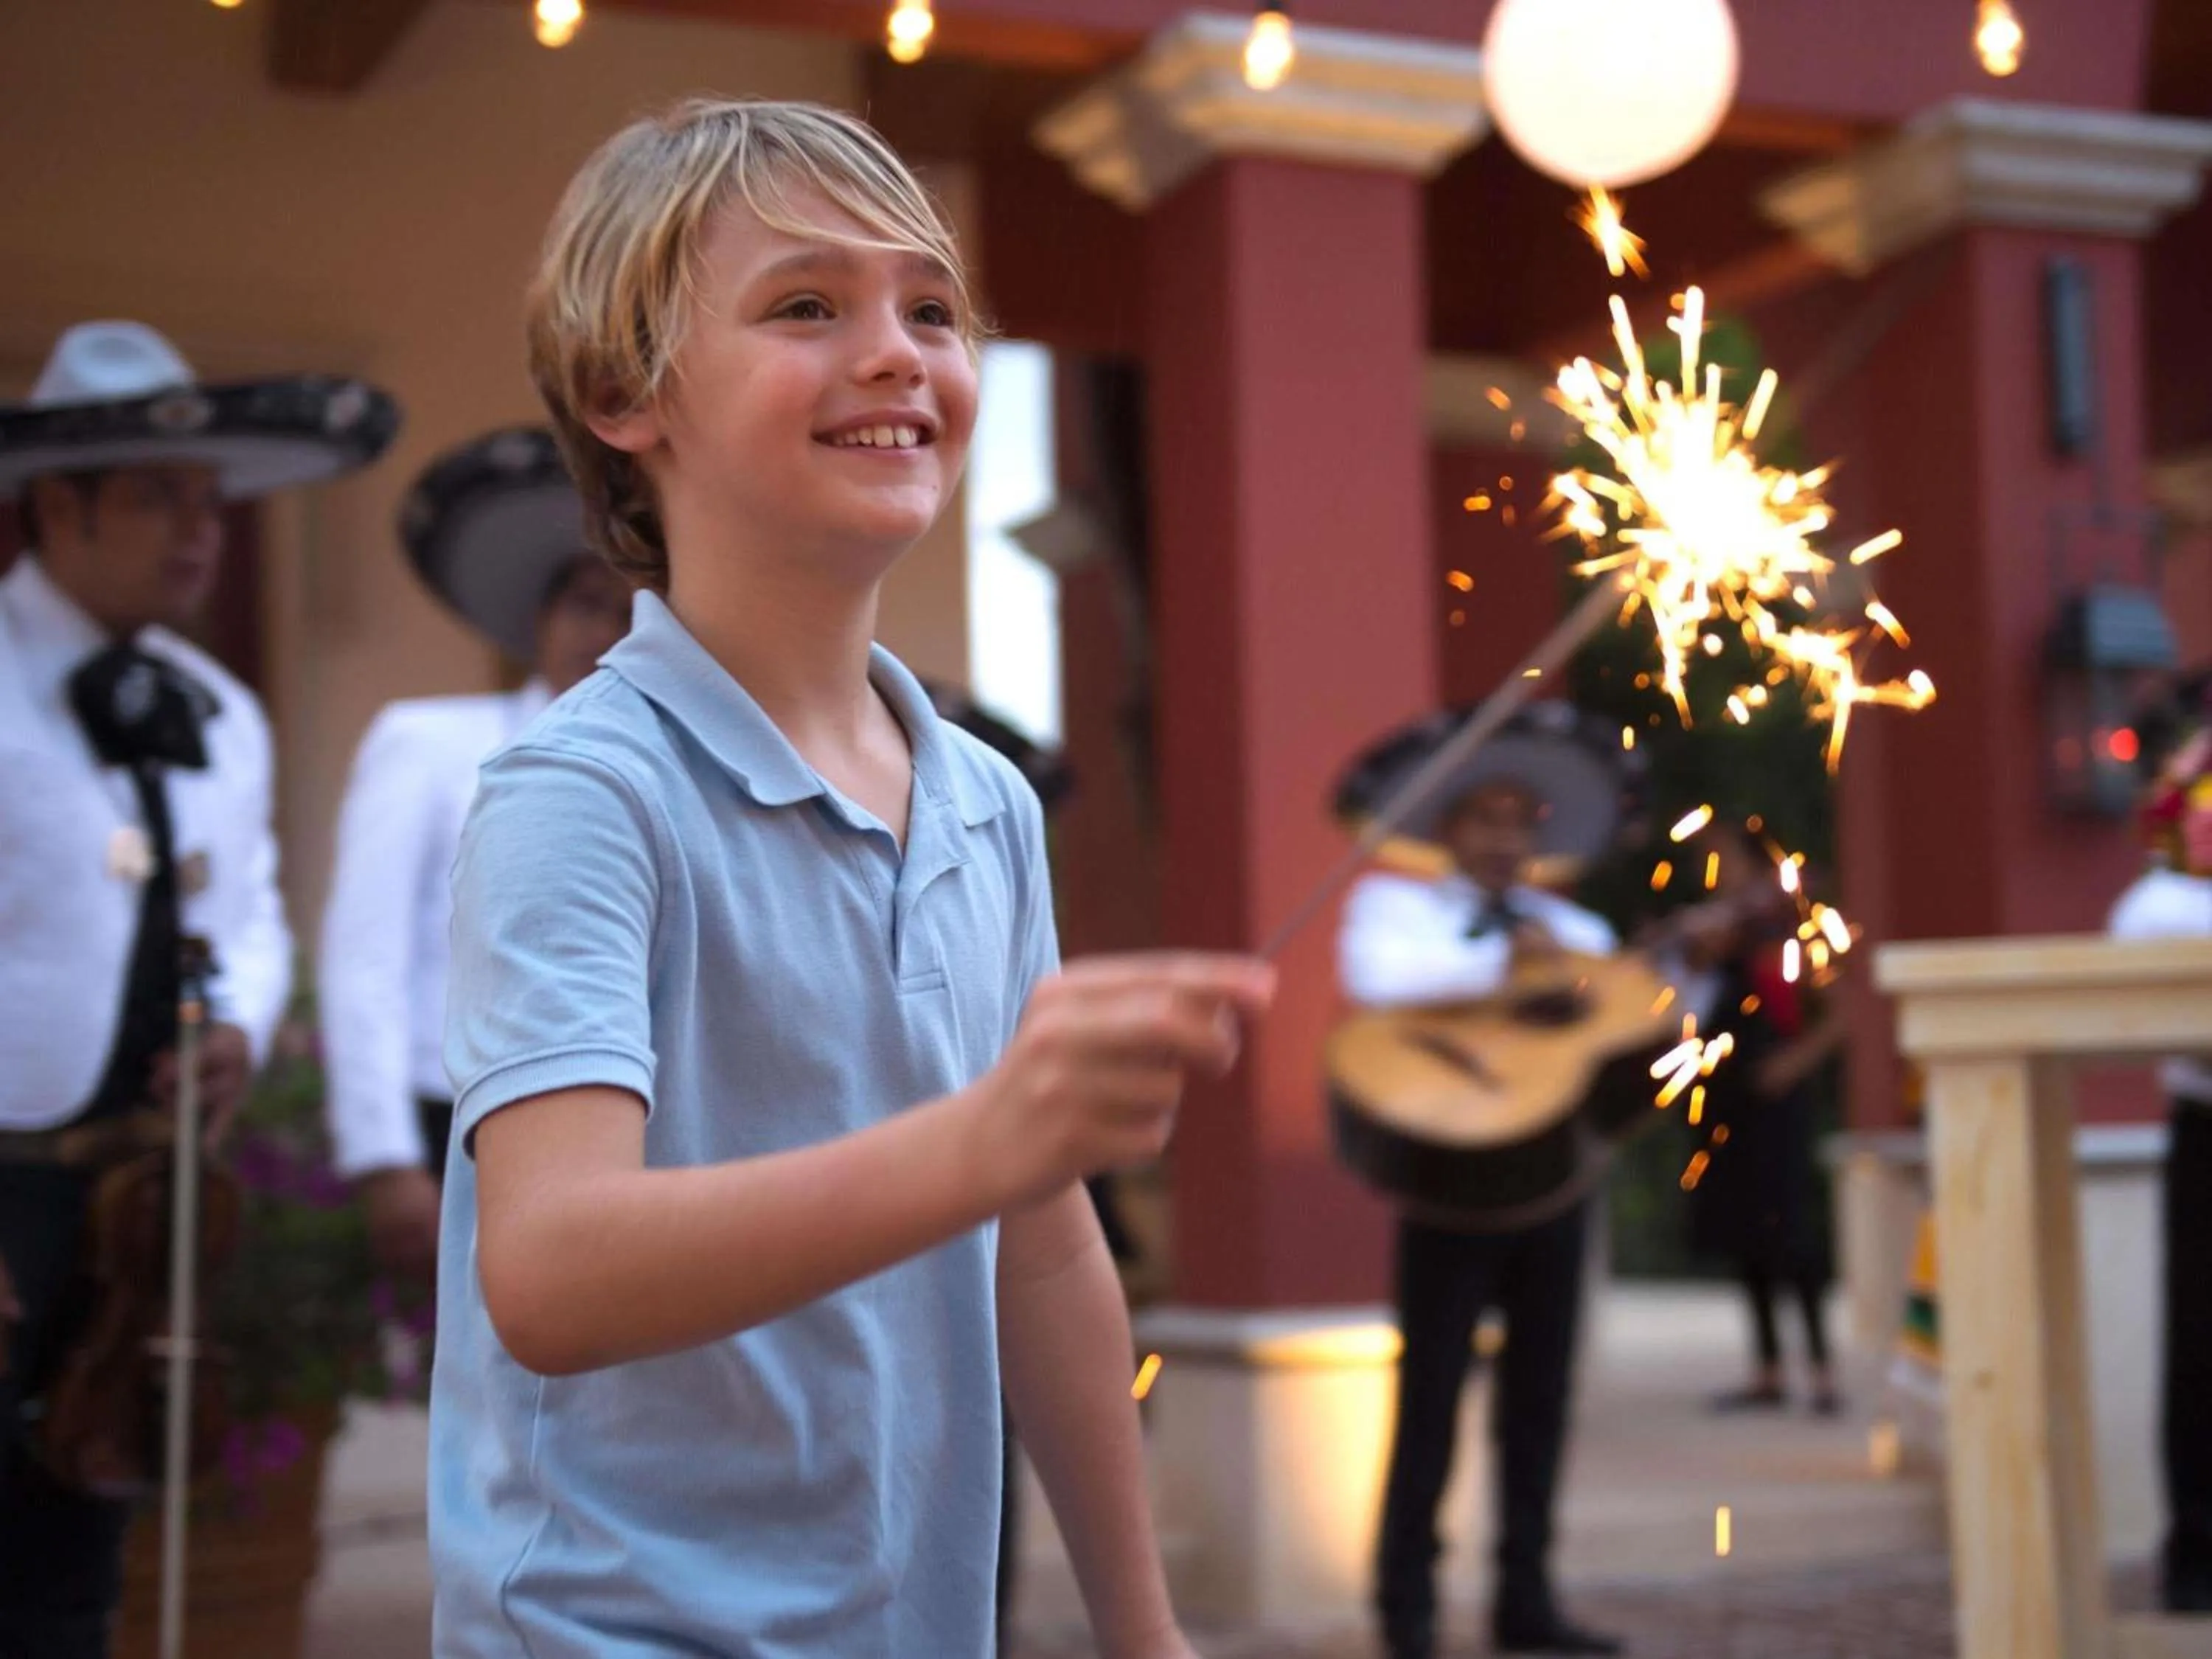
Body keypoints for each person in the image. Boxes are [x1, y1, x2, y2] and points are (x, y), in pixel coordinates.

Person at [428, 100, 1274, 1657]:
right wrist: (983, 1143)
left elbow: (1046, 1250)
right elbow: (548, 1272)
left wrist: (1143, 1630)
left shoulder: (988, 805)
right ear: (626, 394)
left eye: (932, 310)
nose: (896, 354)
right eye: (808, 306)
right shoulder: (584, 795)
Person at [0, 320, 395, 1655]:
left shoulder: (218, 709)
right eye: (156, 495)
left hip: (136, 1201)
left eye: (208, 500)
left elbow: (253, 912)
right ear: (59, 504)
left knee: (81, 1536)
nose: (198, 530)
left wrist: (234, 1020)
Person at [319, 428, 630, 1281]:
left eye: (634, 613)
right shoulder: (427, 745)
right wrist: (385, 1158)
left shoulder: (678, 776)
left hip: (626, 1130)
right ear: (540, 618)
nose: (607, 633)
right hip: (450, 1120)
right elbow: (366, 958)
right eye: (586, 603)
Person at [1339, 732, 1625, 1658]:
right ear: (1448, 830)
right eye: (1484, 820)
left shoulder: (1579, 934)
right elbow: (1375, 982)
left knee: (1540, 1402)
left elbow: (1628, 1022)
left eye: (1518, 823)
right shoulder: (1395, 909)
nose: (1504, 840)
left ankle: (1526, 1599)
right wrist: (1503, 971)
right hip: (1447, 1191)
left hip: (1555, 1186)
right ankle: (1407, 1608)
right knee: (1429, 1400)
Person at [1663, 823, 1843, 1416]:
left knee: (1789, 1232)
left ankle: (1822, 1371)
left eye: (1722, 859)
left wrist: (1793, 1063)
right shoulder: (1711, 934)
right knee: (1745, 1235)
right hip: (1725, 1100)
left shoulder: (1786, 930)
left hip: (1776, 1105)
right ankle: (1767, 1369)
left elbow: (1838, 1013)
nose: (1712, 871)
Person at [2110, 692, 2212, 1615]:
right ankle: (2200, 1553)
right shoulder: (2166, 903)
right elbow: (2142, 931)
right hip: (2206, 1130)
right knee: (2202, 1346)